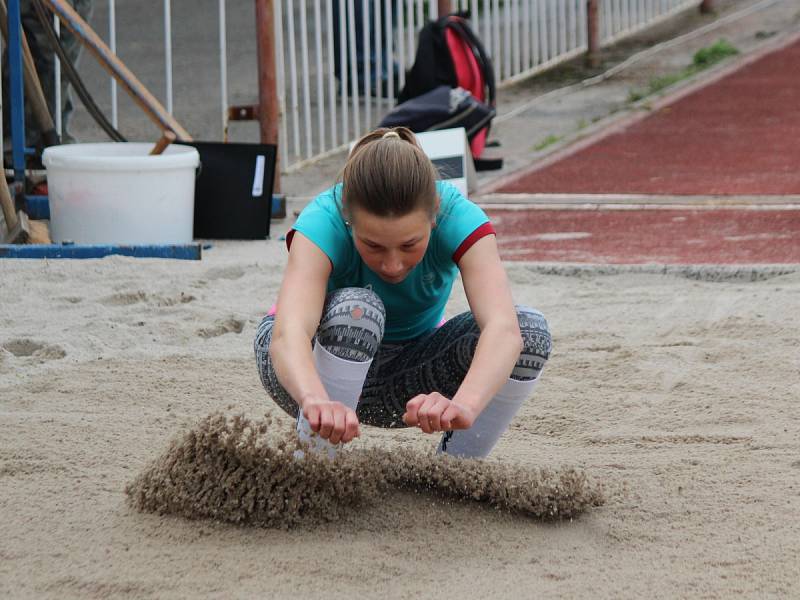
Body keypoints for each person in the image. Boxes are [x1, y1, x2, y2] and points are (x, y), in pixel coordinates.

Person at [254, 126, 551, 459]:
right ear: (348, 219)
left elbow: (504, 329)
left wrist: (464, 404)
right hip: (308, 367)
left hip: (404, 371)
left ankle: (457, 473)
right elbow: (288, 332)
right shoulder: (322, 219)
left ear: (434, 215)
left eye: (409, 245)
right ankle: (315, 469)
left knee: (531, 330)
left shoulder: (460, 216)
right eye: (373, 245)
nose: (393, 265)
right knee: (359, 310)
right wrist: (313, 398)